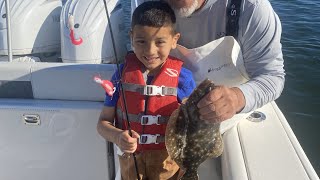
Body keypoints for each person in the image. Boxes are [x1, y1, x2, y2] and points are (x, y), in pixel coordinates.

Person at [129, 0, 285, 125]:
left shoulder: (250, 8)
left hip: (228, 120)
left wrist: (237, 98)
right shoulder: (147, 7)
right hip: (166, 119)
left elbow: (271, 76)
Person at [97, 1, 196, 179]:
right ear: (131, 38)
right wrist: (118, 136)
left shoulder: (183, 79)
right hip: (131, 164)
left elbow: (195, 126)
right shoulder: (120, 75)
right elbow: (103, 124)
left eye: (160, 42)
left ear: (174, 40)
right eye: (141, 41)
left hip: (169, 166)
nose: (150, 50)